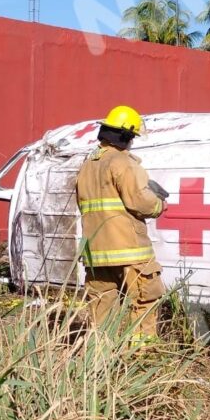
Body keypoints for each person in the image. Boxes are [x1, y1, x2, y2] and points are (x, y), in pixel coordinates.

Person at [76, 105, 167, 346]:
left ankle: (100, 363)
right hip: (130, 251)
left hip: (96, 253)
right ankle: (141, 360)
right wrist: (160, 204)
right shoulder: (122, 163)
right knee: (144, 303)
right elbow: (141, 201)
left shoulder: (87, 165)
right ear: (126, 136)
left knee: (101, 311)